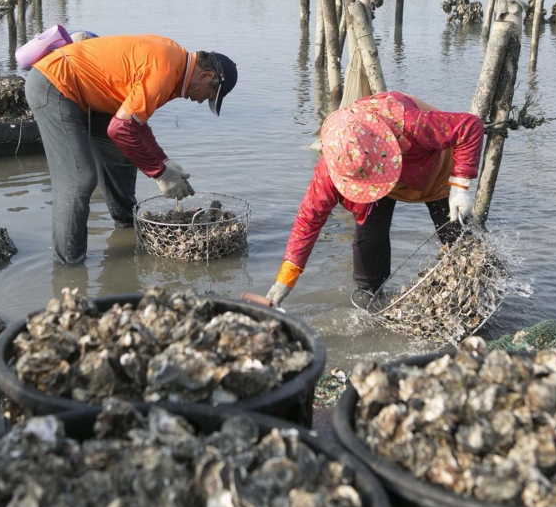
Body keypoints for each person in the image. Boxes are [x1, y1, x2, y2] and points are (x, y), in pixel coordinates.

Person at [25, 34, 237, 265]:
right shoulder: (166, 69)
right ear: (207, 75)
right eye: (209, 95)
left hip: (93, 96)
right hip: (55, 85)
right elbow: (121, 129)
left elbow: (136, 124)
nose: (201, 101)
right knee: (79, 179)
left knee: (120, 158)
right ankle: (69, 267)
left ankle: (125, 228)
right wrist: (159, 173)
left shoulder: (174, 65)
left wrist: (164, 161)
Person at [266, 91, 484, 308]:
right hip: (374, 177)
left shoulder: (409, 123)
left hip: (434, 170)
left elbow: (470, 126)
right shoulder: (338, 162)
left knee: (457, 236)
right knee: (369, 234)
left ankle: (480, 287)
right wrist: (283, 282)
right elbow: (309, 220)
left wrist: (460, 186)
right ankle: (370, 294)